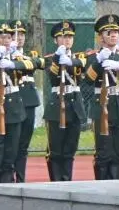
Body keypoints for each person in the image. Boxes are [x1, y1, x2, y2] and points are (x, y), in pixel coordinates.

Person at [86, 14, 119, 180]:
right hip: (102, 106)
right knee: (103, 152)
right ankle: (102, 186)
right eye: (108, 33)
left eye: (116, 32)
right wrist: (98, 61)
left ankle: (117, 185)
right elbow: (88, 79)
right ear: (101, 37)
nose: (113, 35)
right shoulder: (92, 56)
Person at [0, 23, 34, 184]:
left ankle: (8, 185)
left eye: (9, 37)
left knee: (11, 152)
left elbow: (33, 65)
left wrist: (13, 63)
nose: (6, 40)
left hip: (14, 109)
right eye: (2, 37)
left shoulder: (18, 59)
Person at [44, 20, 86, 182]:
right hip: (57, 104)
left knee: (70, 149)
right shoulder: (50, 58)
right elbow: (52, 74)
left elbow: (84, 64)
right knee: (55, 149)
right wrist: (57, 57)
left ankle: (67, 181)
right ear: (56, 40)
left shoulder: (79, 57)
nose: (67, 40)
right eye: (62, 37)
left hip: (75, 105)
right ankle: (56, 182)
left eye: (69, 37)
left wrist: (70, 61)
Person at [10, 19, 45, 183]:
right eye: (15, 34)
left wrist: (22, 60)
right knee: (12, 141)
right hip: (13, 102)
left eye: (22, 35)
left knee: (24, 143)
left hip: (29, 102)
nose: (19, 38)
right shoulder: (5, 56)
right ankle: (9, 175)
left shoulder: (31, 55)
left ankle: (21, 177)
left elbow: (41, 63)